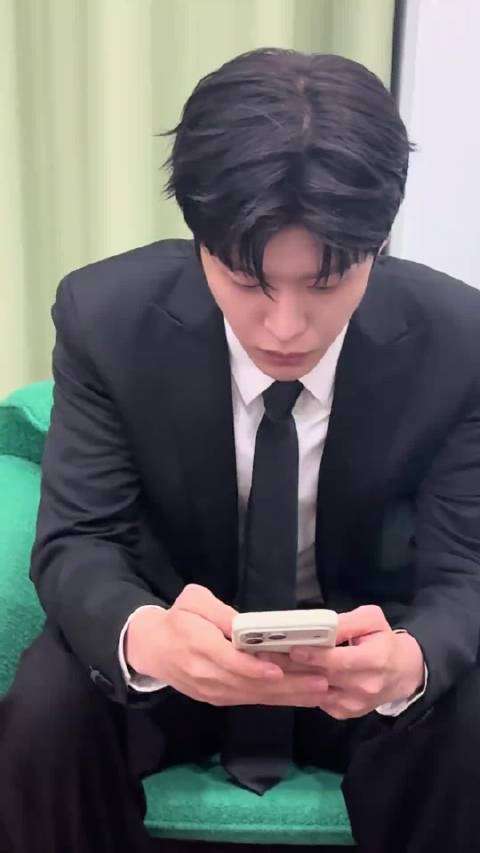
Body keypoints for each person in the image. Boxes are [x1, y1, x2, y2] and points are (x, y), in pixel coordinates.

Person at [1, 47, 480, 853]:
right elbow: (79, 540)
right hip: (176, 657)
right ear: (199, 240)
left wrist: (412, 660)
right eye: (249, 279)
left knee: (467, 708)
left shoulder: (459, 341)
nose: (285, 328)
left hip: (359, 670)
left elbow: (466, 566)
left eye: (325, 283)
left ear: (376, 246)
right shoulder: (105, 319)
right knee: (49, 703)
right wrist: (146, 635)